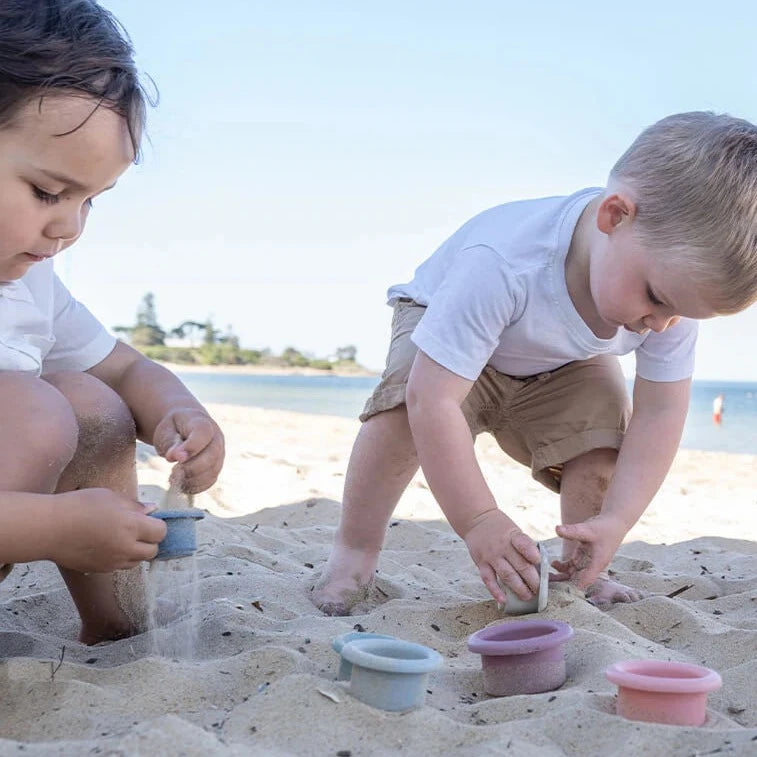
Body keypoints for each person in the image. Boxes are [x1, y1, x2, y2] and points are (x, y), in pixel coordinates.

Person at [313, 111, 757, 615]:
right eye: (656, 299)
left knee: (605, 433)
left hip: (564, 361)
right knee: (400, 413)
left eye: (681, 313)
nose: (660, 325)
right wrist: (480, 520)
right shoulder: (505, 263)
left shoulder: (667, 302)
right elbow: (430, 398)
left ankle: (585, 567)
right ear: (614, 217)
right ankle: (353, 555)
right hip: (444, 332)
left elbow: (659, 415)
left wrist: (617, 520)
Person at [0, 0, 224, 644]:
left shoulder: (31, 284)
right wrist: (55, 529)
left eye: (89, 200)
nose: (68, 226)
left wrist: (178, 414)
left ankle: (117, 627)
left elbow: (125, 367)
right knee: (35, 410)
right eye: (47, 191)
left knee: (92, 400)